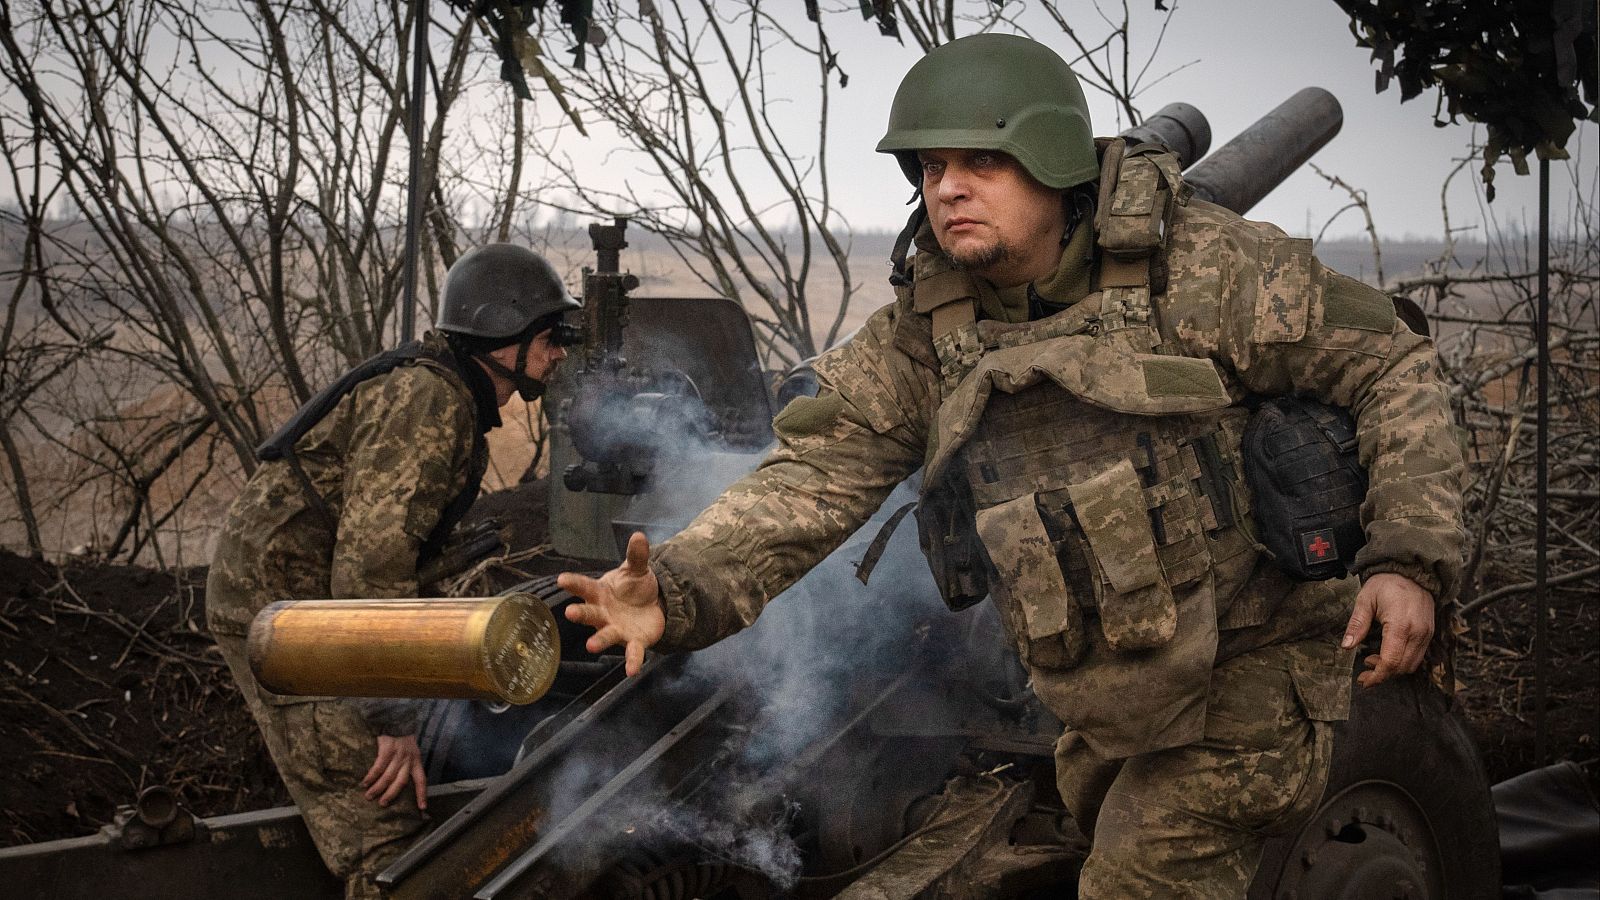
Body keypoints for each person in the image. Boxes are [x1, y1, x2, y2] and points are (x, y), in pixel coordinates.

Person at [558, 33, 1465, 898]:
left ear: (1055, 163)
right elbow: (809, 481)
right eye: (930, 169)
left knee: (1140, 876)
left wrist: (1407, 560)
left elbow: (1391, 364)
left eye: (980, 164)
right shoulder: (928, 334)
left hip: (1255, 666)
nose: (948, 189)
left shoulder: (1204, 271)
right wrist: (673, 590)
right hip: (1109, 695)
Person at [206, 244, 578, 900]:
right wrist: (392, 721)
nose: (559, 356)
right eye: (548, 340)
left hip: (312, 601)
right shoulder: (430, 399)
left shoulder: (446, 394)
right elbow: (369, 573)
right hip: (285, 614)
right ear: (501, 338)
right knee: (385, 837)